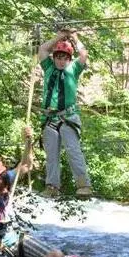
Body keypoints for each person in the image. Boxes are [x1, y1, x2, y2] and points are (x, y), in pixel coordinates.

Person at [38, 30, 91, 197]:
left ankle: (84, 185)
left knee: (73, 150)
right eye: (58, 57)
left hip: (68, 117)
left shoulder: (73, 69)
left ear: (69, 59)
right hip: (49, 118)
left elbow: (83, 54)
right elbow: (42, 49)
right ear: (54, 58)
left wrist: (75, 38)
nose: (61, 61)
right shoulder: (48, 67)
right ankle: (52, 187)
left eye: (65, 58)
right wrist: (59, 37)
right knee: (51, 155)